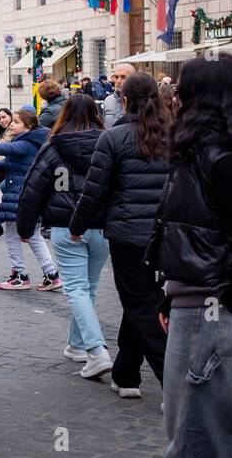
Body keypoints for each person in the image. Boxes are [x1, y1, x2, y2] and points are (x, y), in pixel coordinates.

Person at [155, 54, 232, 458]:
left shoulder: (219, 157)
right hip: (215, 305)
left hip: (212, 310)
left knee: (194, 440)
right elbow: (197, 235)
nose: (175, 99)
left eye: (182, 91)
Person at [69, 72, 170, 399]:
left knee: (141, 305)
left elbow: (93, 191)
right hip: (165, 234)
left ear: (124, 99)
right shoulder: (172, 135)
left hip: (128, 236)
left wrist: (76, 225)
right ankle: (126, 374)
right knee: (140, 300)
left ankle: (175, 385)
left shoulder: (114, 138)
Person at [17, 94, 112, 378]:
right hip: (102, 226)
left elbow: (33, 188)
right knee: (89, 288)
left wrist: (25, 227)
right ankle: (76, 344)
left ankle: (97, 350)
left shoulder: (54, 146)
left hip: (65, 226)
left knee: (77, 290)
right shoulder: (109, 144)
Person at [0, 107, 61, 291]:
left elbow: (13, 149)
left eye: (16, 122)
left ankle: (20, 275)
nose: (11, 124)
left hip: (20, 196)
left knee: (13, 236)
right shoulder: (29, 139)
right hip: (25, 196)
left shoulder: (26, 142)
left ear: (28, 126)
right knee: (34, 236)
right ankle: (51, 275)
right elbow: (11, 163)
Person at [102, 63, 134, 129]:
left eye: (123, 77)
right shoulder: (108, 100)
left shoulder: (138, 100)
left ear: (133, 78)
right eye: (116, 77)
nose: (118, 81)